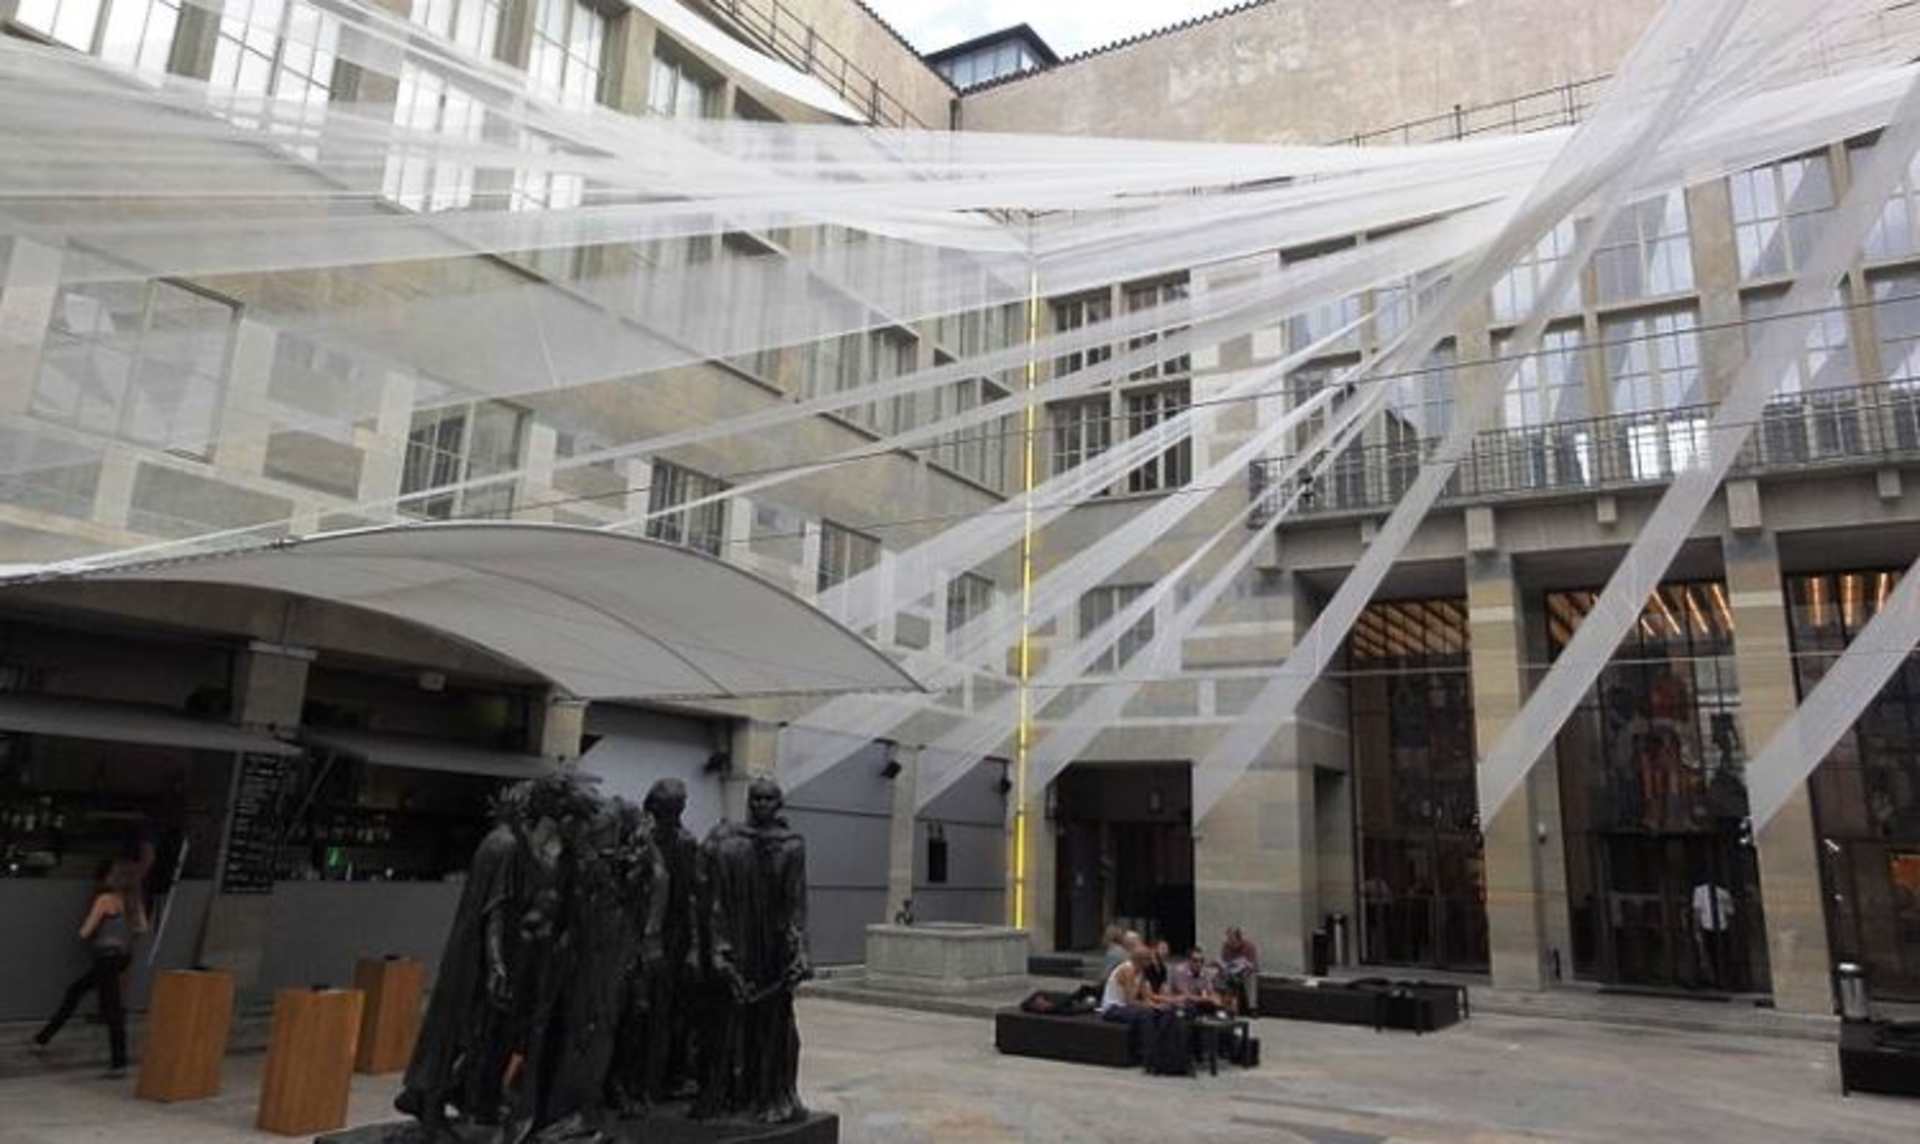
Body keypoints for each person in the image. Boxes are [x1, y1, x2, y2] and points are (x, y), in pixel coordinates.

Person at [695, 778, 811, 1124]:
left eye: (768, 799)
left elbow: (796, 901)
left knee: (774, 1024)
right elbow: (714, 899)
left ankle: (772, 1096)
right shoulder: (730, 843)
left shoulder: (792, 845)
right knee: (730, 1020)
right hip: (741, 941)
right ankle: (732, 1093)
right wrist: (719, 947)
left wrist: (799, 949)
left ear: (779, 803)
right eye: (755, 799)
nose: (760, 805)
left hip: (773, 948)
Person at [32, 861, 148, 1074]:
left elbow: (85, 932)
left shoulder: (105, 900)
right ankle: (43, 1037)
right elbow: (141, 928)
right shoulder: (135, 903)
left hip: (105, 958)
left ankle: (119, 1062)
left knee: (109, 1007)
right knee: (81, 993)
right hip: (122, 958)